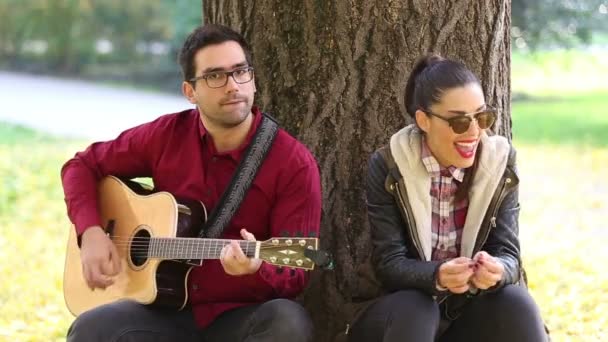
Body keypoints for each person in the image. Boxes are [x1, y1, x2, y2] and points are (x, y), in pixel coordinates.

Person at [61, 24, 321, 342]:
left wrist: (258, 269)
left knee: (288, 322)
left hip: (238, 316)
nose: (232, 86)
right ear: (190, 91)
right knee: (93, 328)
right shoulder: (165, 135)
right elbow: (82, 165)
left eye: (241, 71)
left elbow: (298, 268)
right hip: (161, 313)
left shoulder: (293, 162)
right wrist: (91, 232)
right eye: (215, 76)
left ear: (252, 78)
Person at [347, 55, 547, 342]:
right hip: (399, 317)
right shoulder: (391, 164)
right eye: (459, 122)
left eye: (482, 117)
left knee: (516, 303)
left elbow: (509, 254)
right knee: (418, 308)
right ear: (423, 120)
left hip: (466, 315)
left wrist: (497, 269)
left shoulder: (500, 161)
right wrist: (436, 275)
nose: (475, 132)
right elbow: (389, 263)